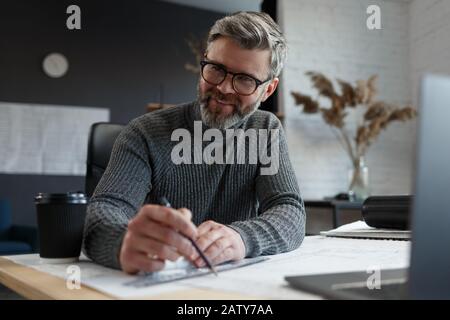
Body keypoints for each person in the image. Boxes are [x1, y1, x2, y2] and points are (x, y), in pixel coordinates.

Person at [83, 11, 306, 274]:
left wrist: (241, 238)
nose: (224, 88)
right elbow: (102, 211)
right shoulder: (143, 132)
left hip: (236, 284)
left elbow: (289, 211)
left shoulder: (265, 130)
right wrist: (122, 243)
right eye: (216, 69)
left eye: (245, 79)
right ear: (204, 63)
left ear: (268, 89)